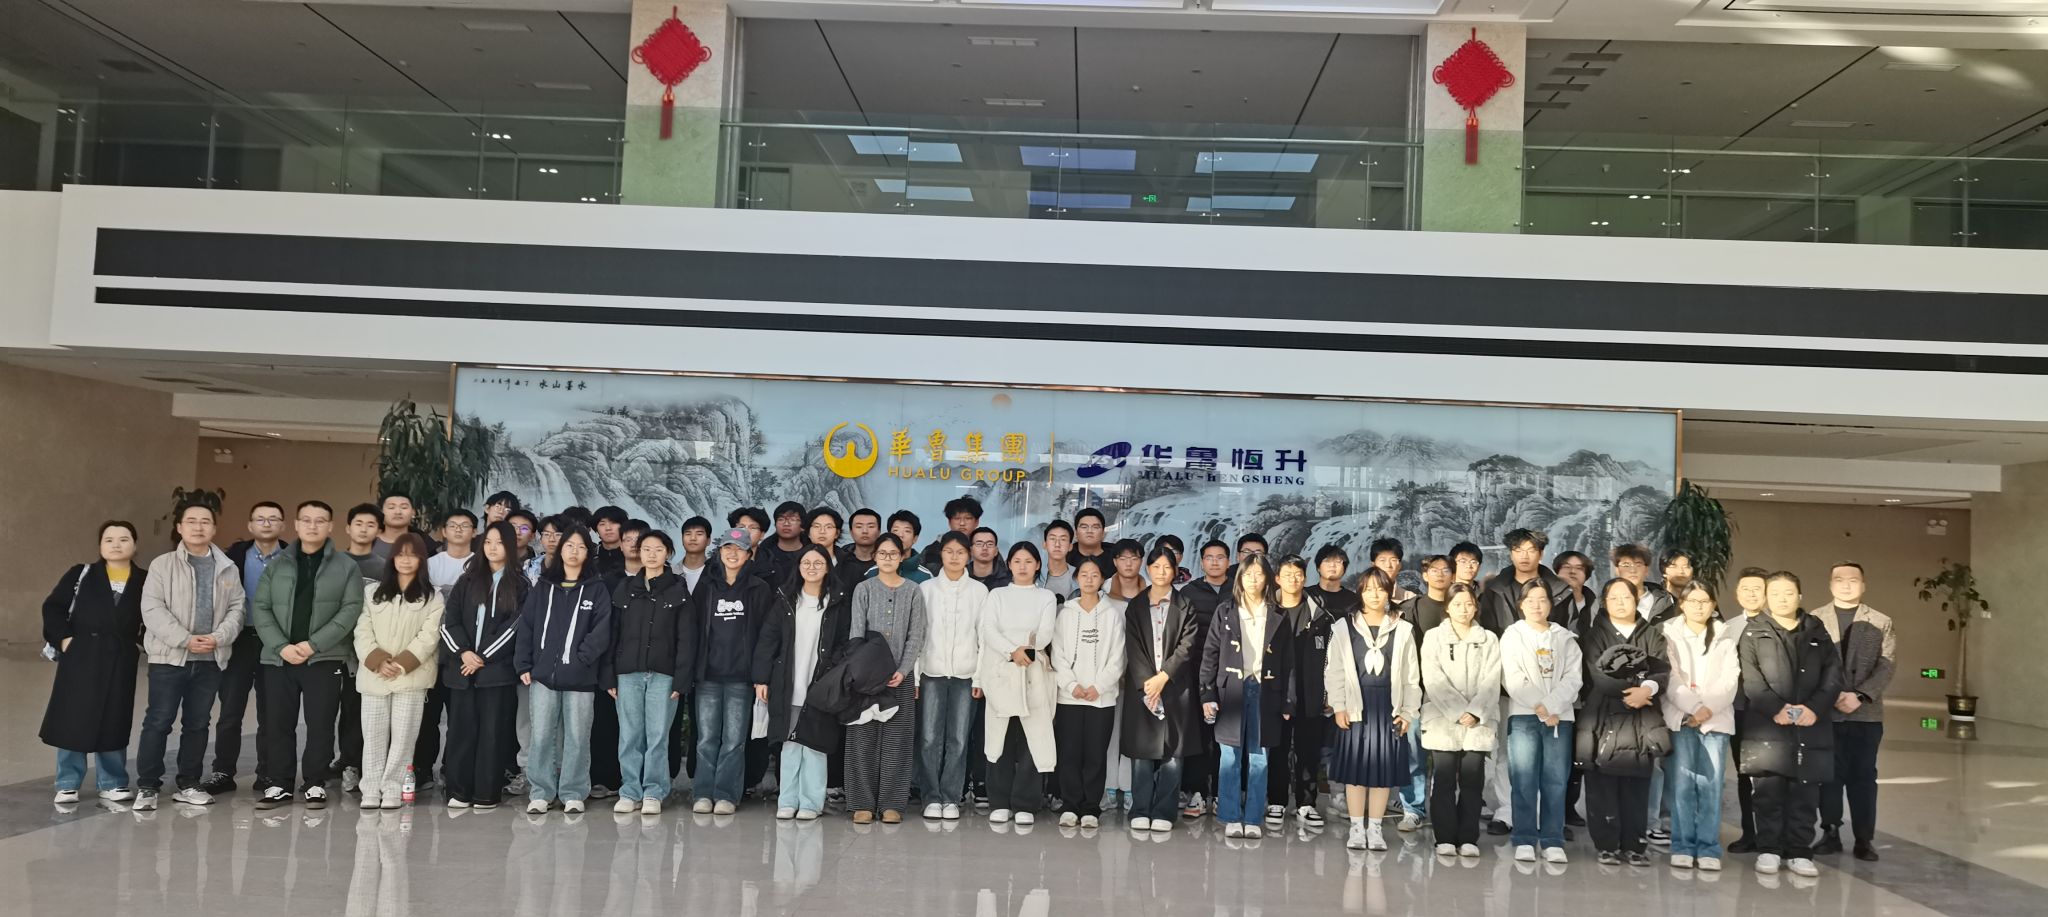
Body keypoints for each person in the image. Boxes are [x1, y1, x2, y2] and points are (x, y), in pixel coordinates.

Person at [249, 500, 363, 811]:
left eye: (320, 520)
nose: (313, 526)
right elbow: (261, 608)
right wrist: (281, 646)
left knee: (320, 723)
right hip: (279, 658)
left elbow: (350, 610)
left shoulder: (346, 567)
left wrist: (314, 645)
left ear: (330, 527)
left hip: (324, 658)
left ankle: (314, 782)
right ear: (296, 525)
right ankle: (279, 783)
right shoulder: (277, 565)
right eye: (307, 520)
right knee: (277, 723)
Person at [136, 502, 245, 810]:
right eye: (192, 521)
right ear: (179, 527)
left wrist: (218, 637)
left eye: (205, 521)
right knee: (159, 721)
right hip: (169, 658)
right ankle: (148, 785)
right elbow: (152, 609)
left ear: (214, 528)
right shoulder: (162, 565)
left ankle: (189, 782)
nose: (198, 527)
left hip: (210, 659)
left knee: (197, 723)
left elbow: (237, 608)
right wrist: (185, 640)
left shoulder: (227, 567)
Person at [1739, 571, 1841, 879]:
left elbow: (1832, 675)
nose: (1782, 599)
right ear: (1766, 598)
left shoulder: (1816, 630)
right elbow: (1751, 679)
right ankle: (1769, 849)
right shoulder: (1753, 632)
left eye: (1788, 593)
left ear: (1800, 596)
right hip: (1768, 724)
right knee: (1767, 790)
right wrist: (1776, 708)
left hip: (1810, 723)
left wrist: (1814, 708)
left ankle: (1799, 851)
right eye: (1775, 593)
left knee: (1805, 791)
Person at [43, 521, 145, 804]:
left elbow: (153, 615)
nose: (116, 545)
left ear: (135, 545)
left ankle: (113, 782)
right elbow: (53, 607)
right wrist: (64, 640)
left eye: (123, 539)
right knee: (73, 716)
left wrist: (142, 643)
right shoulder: (81, 573)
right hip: (81, 654)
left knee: (114, 717)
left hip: (120, 657)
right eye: (109, 539)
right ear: (100, 545)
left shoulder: (145, 579)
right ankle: (67, 782)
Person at [515, 522, 613, 815]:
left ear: (588, 553)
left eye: (581, 547)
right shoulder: (544, 586)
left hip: (581, 678)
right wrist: (524, 663)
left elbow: (602, 630)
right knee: (542, 736)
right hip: (543, 676)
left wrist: (581, 659)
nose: (574, 551)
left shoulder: (596, 588)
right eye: (569, 546)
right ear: (560, 550)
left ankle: (573, 792)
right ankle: (541, 792)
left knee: (577, 737)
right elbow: (527, 625)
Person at [1199, 553, 1295, 840]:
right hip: (1231, 690)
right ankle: (1230, 815)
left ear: (1267, 579)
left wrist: (1288, 700)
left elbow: (1288, 662)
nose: (1253, 580)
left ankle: (1253, 817)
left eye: (1259, 574)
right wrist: (1207, 694)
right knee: (1229, 756)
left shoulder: (1279, 615)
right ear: (1239, 578)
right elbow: (1210, 655)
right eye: (1248, 574)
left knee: (1259, 756)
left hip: (1265, 691)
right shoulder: (1226, 611)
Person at [1324, 567, 1418, 851]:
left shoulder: (1403, 629)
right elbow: (1334, 671)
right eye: (1368, 589)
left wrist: (1408, 711)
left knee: (1382, 771)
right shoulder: (1344, 627)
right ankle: (1356, 827)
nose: (1375, 594)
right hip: (1356, 706)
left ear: (1389, 592)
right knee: (1355, 771)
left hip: (1389, 706)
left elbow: (1411, 676)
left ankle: (1375, 828)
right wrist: (1338, 706)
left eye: (1380, 588)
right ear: (1360, 592)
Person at [1578, 577, 1670, 866]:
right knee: (1602, 781)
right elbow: (1597, 675)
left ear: (1636, 600)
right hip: (1603, 716)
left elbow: (1661, 670)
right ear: (1604, 603)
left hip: (1641, 718)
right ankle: (1606, 844)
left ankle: (1635, 845)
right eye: (1613, 598)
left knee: (1637, 784)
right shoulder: (1594, 635)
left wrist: (1648, 690)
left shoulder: (1652, 634)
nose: (1620, 603)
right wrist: (1634, 690)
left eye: (1626, 597)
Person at [439, 520, 529, 810]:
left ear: (510, 547)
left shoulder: (520, 584)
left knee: (493, 734)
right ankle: (458, 791)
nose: (492, 548)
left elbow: (515, 627)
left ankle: (486, 793)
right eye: (488, 542)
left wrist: (482, 658)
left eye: (500, 543)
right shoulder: (467, 581)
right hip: (462, 671)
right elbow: (448, 621)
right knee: (460, 733)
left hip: (496, 674)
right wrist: (464, 653)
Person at [756, 545, 850, 820]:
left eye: (818, 563)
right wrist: (761, 678)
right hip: (788, 684)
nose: (811, 567)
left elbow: (845, 641)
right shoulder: (786, 599)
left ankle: (810, 803)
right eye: (806, 562)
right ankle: (787, 800)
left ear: (827, 567)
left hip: (821, 686)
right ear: (798, 567)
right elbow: (768, 639)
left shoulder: (838, 601)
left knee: (815, 746)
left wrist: (833, 671)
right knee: (789, 744)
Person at [352, 533, 444, 809]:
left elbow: (429, 636)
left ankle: (392, 788)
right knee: (373, 735)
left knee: (404, 737)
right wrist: (379, 661)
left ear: (421, 560)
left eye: (412, 555)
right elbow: (362, 631)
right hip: (374, 676)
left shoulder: (433, 597)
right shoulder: (372, 593)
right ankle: (370, 789)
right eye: (400, 554)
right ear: (392, 558)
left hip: (411, 677)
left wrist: (402, 663)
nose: (405, 560)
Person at [604, 530, 693, 815]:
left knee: (657, 736)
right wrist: (609, 674)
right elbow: (612, 634)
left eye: (658, 549)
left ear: (668, 553)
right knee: (629, 735)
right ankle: (630, 791)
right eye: (646, 549)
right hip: (627, 672)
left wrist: (682, 678)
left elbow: (686, 638)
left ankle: (654, 791)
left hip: (663, 674)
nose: (652, 555)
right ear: (639, 553)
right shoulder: (625, 588)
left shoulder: (678, 590)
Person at [205, 502, 289, 796]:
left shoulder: (292, 558)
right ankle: (223, 771)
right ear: (250, 525)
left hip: (275, 642)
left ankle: (267, 773)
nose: (266, 523)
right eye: (260, 519)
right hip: (239, 640)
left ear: (282, 525)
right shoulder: (232, 558)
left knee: (271, 712)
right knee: (230, 710)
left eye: (273, 519)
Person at [689, 528, 774, 815]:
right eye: (727, 547)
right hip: (708, 676)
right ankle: (703, 792)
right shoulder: (707, 585)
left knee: (735, 741)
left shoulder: (759, 588)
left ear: (749, 554)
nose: (733, 553)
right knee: (706, 738)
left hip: (741, 677)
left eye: (739, 548)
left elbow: (766, 636)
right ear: (720, 552)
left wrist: (760, 676)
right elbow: (693, 628)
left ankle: (726, 794)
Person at [845, 533, 927, 824]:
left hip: (899, 677)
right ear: (875, 557)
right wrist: (864, 671)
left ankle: (892, 803)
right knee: (861, 737)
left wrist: (903, 670)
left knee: (897, 740)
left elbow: (916, 635)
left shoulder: (914, 591)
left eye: (893, 553)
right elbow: (856, 633)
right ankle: (861, 803)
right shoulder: (864, 588)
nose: (888, 558)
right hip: (866, 677)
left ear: (902, 556)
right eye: (882, 553)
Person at [1661, 580, 1743, 871]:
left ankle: (1708, 847)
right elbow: (1670, 677)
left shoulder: (1724, 634)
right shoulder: (1668, 633)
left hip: (1716, 719)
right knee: (1682, 784)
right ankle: (1682, 845)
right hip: (1682, 717)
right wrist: (1695, 708)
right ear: (1682, 604)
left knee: (1711, 785)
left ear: (1713, 605)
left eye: (1705, 601)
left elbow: (1730, 678)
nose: (1699, 606)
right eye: (1692, 601)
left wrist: (1706, 708)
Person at [1817, 561, 1894, 863]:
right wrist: (1832, 694)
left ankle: (1864, 839)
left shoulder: (1881, 621)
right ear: (1830, 584)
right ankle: (1830, 832)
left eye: (1853, 579)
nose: (1846, 584)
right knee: (1828, 776)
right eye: (1839, 579)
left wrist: (1860, 695)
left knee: (1863, 777)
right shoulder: (1814, 619)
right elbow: (1810, 664)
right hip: (1827, 713)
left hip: (1866, 714)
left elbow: (1887, 665)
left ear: (1863, 585)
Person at [1502, 578, 1583, 864]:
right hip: (1524, 716)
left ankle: (1552, 839)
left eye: (1542, 599)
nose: (1537, 605)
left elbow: (1574, 678)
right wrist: (1542, 707)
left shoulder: (1565, 637)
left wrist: (1551, 706)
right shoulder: (1512, 635)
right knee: (1523, 779)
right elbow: (1512, 677)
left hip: (1560, 717)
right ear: (1521, 604)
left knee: (1556, 780)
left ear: (1551, 603)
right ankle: (1524, 838)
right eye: (1530, 600)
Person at [979, 544, 1061, 826]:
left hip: (1032, 671)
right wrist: (1010, 651)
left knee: (1032, 739)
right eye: (1017, 561)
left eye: (1028, 561)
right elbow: (988, 629)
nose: (1023, 566)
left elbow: (1045, 632)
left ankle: (1026, 802)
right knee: (1000, 738)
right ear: (1009, 565)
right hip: (1001, 671)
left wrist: (1024, 650)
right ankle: (999, 801)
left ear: (1038, 565)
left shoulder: (1045, 596)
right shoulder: (997, 595)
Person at [1420, 582, 1502, 858]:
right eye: (1457, 604)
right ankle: (1444, 837)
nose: (1464, 609)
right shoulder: (1433, 637)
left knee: (1472, 781)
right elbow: (1432, 677)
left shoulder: (1488, 639)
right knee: (1443, 780)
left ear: (1476, 607)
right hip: (1443, 720)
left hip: (1478, 722)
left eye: (1469, 604)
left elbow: (1492, 678)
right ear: (1447, 608)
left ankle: (1468, 837)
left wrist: (1476, 710)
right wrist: (1457, 711)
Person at [1120, 546, 1199, 833]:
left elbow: (1187, 646)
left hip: (1175, 687)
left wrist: (1164, 676)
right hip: (1143, 687)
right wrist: (1148, 682)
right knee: (1142, 751)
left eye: (1167, 567)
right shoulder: (1136, 606)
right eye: (1156, 567)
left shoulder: (1185, 605)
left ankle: (1165, 811)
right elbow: (1133, 647)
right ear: (1148, 569)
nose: (1162, 572)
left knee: (1173, 752)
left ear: (1175, 571)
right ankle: (1140, 809)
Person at [1053, 557, 1126, 828]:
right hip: (1069, 697)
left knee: (1096, 754)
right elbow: (1057, 654)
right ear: (1077, 578)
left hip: (1101, 698)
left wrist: (1098, 687)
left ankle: (1091, 808)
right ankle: (1070, 805)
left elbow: (1118, 657)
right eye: (1084, 574)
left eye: (1094, 575)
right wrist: (1072, 685)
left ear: (1102, 579)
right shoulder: (1065, 613)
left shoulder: (1111, 614)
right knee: (1069, 752)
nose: (1089, 579)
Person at [918, 531, 987, 819]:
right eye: (949, 551)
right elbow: (919, 635)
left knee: (959, 739)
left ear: (968, 555)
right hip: (931, 672)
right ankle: (931, 797)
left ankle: (951, 797)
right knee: (929, 738)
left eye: (960, 552)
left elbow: (983, 638)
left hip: (965, 674)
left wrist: (979, 677)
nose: (955, 557)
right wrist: (915, 677)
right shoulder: (926, 589)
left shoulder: (979, 591)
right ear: (941, 554)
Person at [1270, 555, 1334, 827]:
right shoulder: (1268, 613)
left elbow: (1332, 658)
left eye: (1298, 574)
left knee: (1308, 751)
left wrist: (1329, 694)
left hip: (1310, 693)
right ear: (1277, 579)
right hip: (1276, 692)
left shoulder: (1320, 615)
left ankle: (1306, 804)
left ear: (1305, 578)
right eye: (1287, 574)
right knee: (1277, 749)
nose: (1293, 579)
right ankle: (1276, 801)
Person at [416, 509, 478, 788]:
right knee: (427, 717)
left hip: (464, 656)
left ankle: (452, 770)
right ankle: (422, 769)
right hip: (431, 653)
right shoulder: (429, 565)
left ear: (474, 532)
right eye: (453, 525)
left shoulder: (480, 565)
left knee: (460, 717)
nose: (459, 530)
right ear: (443, 531)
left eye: (465, 525)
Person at [1179, 539, 1231, 818]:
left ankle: (1223, 793)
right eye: (1209, 557)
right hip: (1197, 674)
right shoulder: (1189, 591)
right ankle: (1196, 793)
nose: (1214, 562)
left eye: (1220, 557)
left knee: (1226, 737)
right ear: (1201, 562)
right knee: (1198, 736)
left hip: (1231, 676)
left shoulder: (1238, 589)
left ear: (1228, 561)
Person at [1726, 567, 1771, 853]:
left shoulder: (1778, 625)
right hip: (1739, 711)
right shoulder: (1728, 627)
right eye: (1746, 589)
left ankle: (1771, 834)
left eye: (1758, 589)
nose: (1751, 594)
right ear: (1737, 593)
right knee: (1744, 774)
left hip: (1769, 714)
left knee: (1770, 777)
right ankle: (1749, 832)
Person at [1479, 529, 1565, 637]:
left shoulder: (1560, 590)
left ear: (1541, 554)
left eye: (1531, 550)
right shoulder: (1494, 590)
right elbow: (1488, 631)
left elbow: (1569, 631)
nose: (1524, 556)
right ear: (1511, 554)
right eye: (1518, 550)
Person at [924, 496, 984, 572]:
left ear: (976, 522)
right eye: (957, 518)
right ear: (949, 522)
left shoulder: (985, 549)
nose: (962, 523)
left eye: (968, 518)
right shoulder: (933, 549)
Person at [760, 501, 808, 587]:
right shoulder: (764, 553)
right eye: (781, 519)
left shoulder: (813, 552)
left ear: (803, 526)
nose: (786, 524)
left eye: (792, 520)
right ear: (775, 525)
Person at [877, 511, 934, 583]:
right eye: (895, 530)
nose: (900, 535)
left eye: (907, 531)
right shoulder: (873, 572)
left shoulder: (925, 576)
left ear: (915, 539)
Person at [1550, 551, 1598, 634]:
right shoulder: (1546, 599)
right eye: (1567, 567)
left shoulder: (1595, 605)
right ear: (1557, 572)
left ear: (1586, 575)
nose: (1572, 571)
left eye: (1579, 568)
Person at [1311, 544, 1363, 619]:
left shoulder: (1354, 600)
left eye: (1338, 562)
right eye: (1327, 561)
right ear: (1318, 567)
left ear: (1344, 569)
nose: (1332, 565)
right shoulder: (1307, 595)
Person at [344, 503, 391, 581]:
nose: (363, 530)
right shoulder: (333, 562)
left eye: (370, 525)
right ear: (348, 529)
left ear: (378, 532)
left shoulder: (384, 567)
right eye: (358, 524)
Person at [372, 493, 423, 558]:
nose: (398, 512)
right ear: (381, 512)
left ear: (413, 512)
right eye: (391, 507)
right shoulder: (368, 540)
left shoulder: (424, 543)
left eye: (404, 507)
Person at [838, 509, 882, 584]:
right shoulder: (839, 559)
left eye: (871, 526)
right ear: (851, 532)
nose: (865, 531)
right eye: (859, 527)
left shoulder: (888, 560)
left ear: (879, 531)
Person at [592, 505, 631, 580]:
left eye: (613, 523)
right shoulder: (590, 556)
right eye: (602, 524)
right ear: (596, 530)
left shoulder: (635, 554)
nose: (608, 528)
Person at [677, 516, 713, 593]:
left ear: (708, 540)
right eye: (688, 534)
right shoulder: (671, 573)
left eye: (699, 534)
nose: (693, 538)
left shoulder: (717, 573)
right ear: (682, 539)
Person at [1069, 509, 1109, 573]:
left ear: (1103, 533)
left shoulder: (1116, 557)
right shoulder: (1065, 557)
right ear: (1076, 533)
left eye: (1095, 527)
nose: (1089, 531)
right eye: (1084, 527)